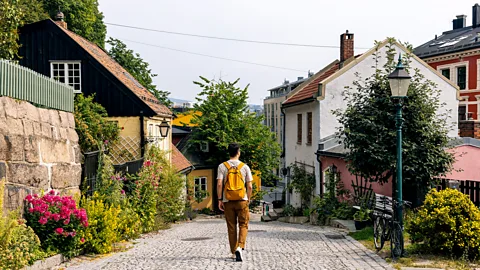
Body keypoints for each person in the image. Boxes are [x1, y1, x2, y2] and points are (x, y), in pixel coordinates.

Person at [217, 143, 253, 262]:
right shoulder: (245, 167)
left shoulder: (222, 166)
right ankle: (240, 246)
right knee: (243, 224)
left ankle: (233, 251)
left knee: (231, 227)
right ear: (238, 152)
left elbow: (219, 184)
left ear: (229, 152)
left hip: (228, 200)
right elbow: (250, 185)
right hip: (242, 199)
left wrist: (220, 199)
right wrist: (248, 198)